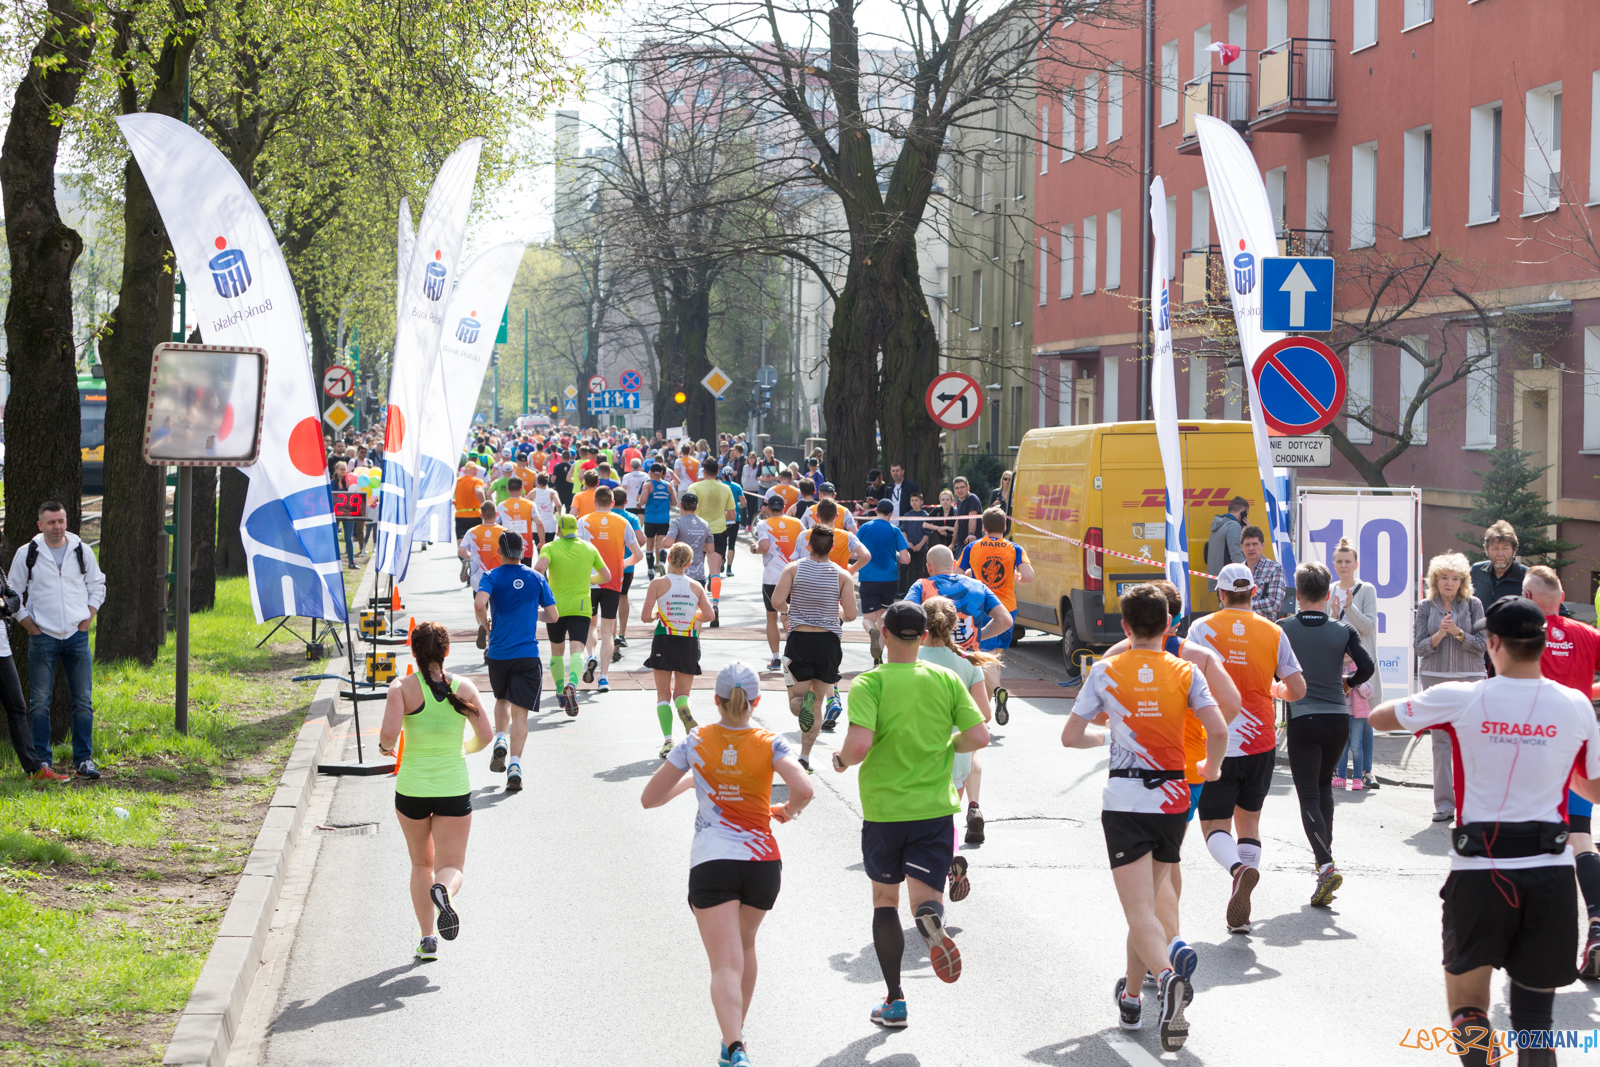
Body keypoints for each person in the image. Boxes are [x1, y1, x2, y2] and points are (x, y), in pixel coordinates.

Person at [1369, 597, 1600, 1067]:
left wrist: (1429, 703)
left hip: (1480, 872)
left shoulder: (1462, 696)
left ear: (1492, 643)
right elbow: (1593, 791)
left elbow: (1379, 718)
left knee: (1470, 1014)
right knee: (1536, 1025)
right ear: (1540, 643)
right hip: (1550, 874)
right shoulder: (1576, 705)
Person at [1060, 584, 1226, 1052]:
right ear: (1170, 626)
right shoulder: (1186, 671)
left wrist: (1107, 737)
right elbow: (1218, 728)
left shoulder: (1106, 670)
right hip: (1174, 797)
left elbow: (1071, 737)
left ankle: (1167, 978)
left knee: (1139, 912)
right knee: (1149, 909)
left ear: (1125, 627)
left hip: (1126, 799)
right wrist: (1211, 768)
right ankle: (1132, 997)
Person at [639, 662, 813, 1067]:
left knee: (723, 964)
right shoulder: (770, 742)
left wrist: (693, 778)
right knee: (745, 946)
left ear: (715, 700)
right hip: (762, 863)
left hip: (713, 863)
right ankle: (733, 1041)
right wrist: (787, 810)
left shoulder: (696, 741)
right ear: (756, 701)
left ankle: (735, 1047)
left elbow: (649, 798)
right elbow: (804, 789)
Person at [832, 600, 990, 1028]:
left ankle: (895, 999)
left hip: (885, 811)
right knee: (924, 899)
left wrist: (842, 761)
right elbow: (979, 735)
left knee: (885, 900)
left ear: (883, 635)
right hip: (934, 809)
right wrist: (945, 746)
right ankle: (931, 921)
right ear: (923, 637)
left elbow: (859, 746)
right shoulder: (945, 678)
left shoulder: (869, 683)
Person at [1100, 580, 1241, 973]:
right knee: (1168, 855)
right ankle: (1164, 942)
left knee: (1151, 866)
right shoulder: (1198, 657)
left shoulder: (1119, 652)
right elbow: (1231, 705)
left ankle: (1169, 942)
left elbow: (1096, 701)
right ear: (1174, 618)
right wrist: (1197, 732)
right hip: (1190, 767)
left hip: (1140, 770)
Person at [1187, 562, 1305, 934]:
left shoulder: (1201, 628)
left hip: (1217, 740)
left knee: (1214, 824)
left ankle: (1238, 871)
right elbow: (1298, 690)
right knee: (1249, 821)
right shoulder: (1274, 631)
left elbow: (1186, 679)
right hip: (1260, 743)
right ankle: (1244, 902)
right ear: (1254, 593)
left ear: (1220, 593)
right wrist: (1274, 690)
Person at [377, 622, 492, 960]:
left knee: (419, 863)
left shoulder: (401, 688)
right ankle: (444, 891)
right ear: (446, 651)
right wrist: (462, 751)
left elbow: (388, 734)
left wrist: (386, 750)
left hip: (411, 789)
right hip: (452, 788)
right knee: (451, 864)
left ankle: (428, 939)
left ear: (413, 651)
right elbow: (485, 736)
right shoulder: (465, 687)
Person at [1277, 560, 1375, 907]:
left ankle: (1327, 863)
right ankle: (1324, 864)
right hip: (1337, 719)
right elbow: (1367, 667)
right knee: (1323, 788)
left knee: (1309, 795)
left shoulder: (1283, 628)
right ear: (1326, 593)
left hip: (1304, 720)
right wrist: (1347, 683)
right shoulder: (1342, 629)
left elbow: (1270, 670)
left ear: (1299, 594)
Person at [1521, 565, 1600, 978]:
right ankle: (1598, 923)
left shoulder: (1524, 636)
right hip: (1582, 743)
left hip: (1538, 747)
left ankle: (1543, 943)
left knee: (1537, 846)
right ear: (1562, 593)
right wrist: (1587, 687)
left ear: (1531, 599)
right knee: (1581, 839)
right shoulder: (1588, 634)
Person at [9, 503, 105, 780]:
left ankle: (84, 760)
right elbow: (13, 593)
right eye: (51, 522)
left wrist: (87, 618)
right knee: (39, 702)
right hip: (43, 637)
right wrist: (30, 626)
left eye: (61, 521)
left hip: (77, 635)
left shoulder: (81, 550)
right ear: (40, 525)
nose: (58, 527)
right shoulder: (27, 553)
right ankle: (42, 762)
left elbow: (98, 584)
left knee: (83, 701)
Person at [475, 532, 559, 791]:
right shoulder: (536, 578)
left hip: (499, 653)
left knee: (502, 700)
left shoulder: (492, 576)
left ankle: (500, 737)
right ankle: (514, 765)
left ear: (500, 551)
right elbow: (553, 616)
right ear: (523, 551)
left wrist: (485, 624)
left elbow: (480, 604)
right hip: (527, 655)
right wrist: (532, 612)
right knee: (521, 713)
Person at [770, 525, 858, 772]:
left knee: (796, 701)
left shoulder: (793, 569)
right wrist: (836, 611)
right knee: (818, 702)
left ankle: (803, 706)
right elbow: (850, 614)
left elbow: (777, 601)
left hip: (800, 640)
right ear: (832, 548)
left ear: (808, 546)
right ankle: (805, 757)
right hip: (828, 643)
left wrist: (791, 610)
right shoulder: (842, 575)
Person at [1415, 552, 1488, 824]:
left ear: (1463, 581)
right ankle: (1444, 805)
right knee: (1441, 743)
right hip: (1435, 679)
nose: (1449, 583)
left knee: (1472, 741)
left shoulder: (1474, 604)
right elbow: (1420, 647)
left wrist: (1457, 632)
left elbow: (1482, 644)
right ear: (1435, 580)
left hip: (1471, 678)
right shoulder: (1425, 606)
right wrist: (1439, 635)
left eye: (1455, 578)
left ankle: (1472, 804)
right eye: (1444, 577)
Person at [919, 597, 995, 855]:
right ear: (954, 625)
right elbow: (984, 714)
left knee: (917, 819)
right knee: (945, 817)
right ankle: (947, 859)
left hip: (915, 747)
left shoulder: (908, 658)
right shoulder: (969, 662)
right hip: (956, 753)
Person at [904, 545, 1016, 720]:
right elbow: (1005, 620)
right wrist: (978, 635)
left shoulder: (922, 586)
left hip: (931, 657)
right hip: (968, 658)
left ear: (928, 567)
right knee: (970, 719)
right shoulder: (978, 586)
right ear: (954, 563)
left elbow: (906, 613)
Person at [639, 543, 717, 758]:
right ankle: (686, 714)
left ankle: (667, 741)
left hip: (664, 639)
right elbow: (710, 616)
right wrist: (692, 615)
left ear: (669, 559)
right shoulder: (696, 586)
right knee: (681, 694)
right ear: (689, 563)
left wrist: (657, 614)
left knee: (663, 694)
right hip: (688, 640)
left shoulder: (658, 583)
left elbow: (645, 617)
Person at [535, 515, 610, 715]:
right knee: (578, 650)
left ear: (559, 529)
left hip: (555, 606)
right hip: (581, 606)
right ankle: (573, 684)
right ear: (576, 529)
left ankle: (560, 692)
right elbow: (607, 576)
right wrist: (588, 578)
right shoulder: (589, 548)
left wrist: (544, 587)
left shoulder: (550, 547)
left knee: (556, 651)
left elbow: (539, 568)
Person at [578, 487, 643, 693]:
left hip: (588, 581)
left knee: (590, 625)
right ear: (613, 503)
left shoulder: (583, 521)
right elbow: (639, 555)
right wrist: (622, 564)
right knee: (607, 631)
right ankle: (604, 678)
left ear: (595, 502)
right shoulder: (623, 522)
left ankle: (591, 655)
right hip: (613, 582)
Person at [959, 507, 1035, 655]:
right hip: (1007, 609)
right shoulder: (1015, 548)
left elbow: (956, 576)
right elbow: (1029, 576)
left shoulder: (971, 547)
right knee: (996, 655)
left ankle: (990, 680)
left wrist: (971, 575)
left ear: (984, 527)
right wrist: (1018, 578)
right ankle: (994, 679)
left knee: (986, 657)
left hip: (981, 607)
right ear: (1005, 526)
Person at [855, 500, 912, 666]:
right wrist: (893, 555)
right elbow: (906, 559)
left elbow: (853, 552)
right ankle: (877, 660)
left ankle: (870, 631)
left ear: (876, 510)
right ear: (891, 513)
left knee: (868, 618)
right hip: (889, 578)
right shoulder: (895, 530)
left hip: (868, 577)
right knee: (882, 618)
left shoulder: (864, 528)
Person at [753, 495, 803, 674]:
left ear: (768, 507)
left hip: (773, 578)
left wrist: (755, 549)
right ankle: (794, 653)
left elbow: (764, 546)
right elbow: (806, 542)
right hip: (795, 575)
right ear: (784, 507)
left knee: (771, 616)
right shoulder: (796, 523)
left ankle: (775, 658)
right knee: (790, 613)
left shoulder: (763, 524)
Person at [610, 488, 645, 653]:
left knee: (610, 599)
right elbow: (642, 540)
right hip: (627, 564)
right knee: (623, 597)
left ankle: (611, 636)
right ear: (626, 502)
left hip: (606, 564)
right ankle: (622, 634)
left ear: (611, 501)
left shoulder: (605, 517)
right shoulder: (631, 518)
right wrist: (631, 548)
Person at [1469, 519, 1528, 611]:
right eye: (1495, 548)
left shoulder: (1527, 577)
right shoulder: (1475, 572)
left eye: (1505, 548)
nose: (1500, 553)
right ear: (1487, 551)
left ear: (1514, 550)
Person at [1239, 525, 1289, 619]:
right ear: (1241, 547)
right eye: (1247, 545)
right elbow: (1226, 603)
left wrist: (1243, 606)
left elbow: (1275, 603)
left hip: (1264, 629)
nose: (1251, 548)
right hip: (1240, 627)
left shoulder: (1274, 569)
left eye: (1255, 544)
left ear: (1263, 545)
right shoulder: (1237, 571)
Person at [1204, 496, 1248, 589]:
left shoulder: (1218, 525)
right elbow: (1236, 554)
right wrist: (1246, 576)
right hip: (1232, 581)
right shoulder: (1233, 526)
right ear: (1243, 511)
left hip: (1221, 580)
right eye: (1246, 514)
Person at [642, 463, 678, 577]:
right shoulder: (668, 485)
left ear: (651, 472)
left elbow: (643, 499)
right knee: (661, 543)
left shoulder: (647, 485)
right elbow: (674, 502)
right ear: (662, 473)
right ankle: (661, 562)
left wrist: (638, 505)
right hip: (664, 519)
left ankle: (650, 569)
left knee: (650, 544)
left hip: (650, 518)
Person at [495, 479, 536, 562]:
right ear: (522, 489)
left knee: (508, 572)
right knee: (525, 573)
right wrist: (542, 541)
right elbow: (539, 523)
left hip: (507, 545)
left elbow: (495, 524)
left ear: (507, 489)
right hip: (525, 546)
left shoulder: (501, 505)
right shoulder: (530, 504)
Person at [897, 493, 929, 596]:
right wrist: (907, 543)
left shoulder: (926, 516)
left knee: (919, 570)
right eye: (912, 500)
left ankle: (916, 591)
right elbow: (903, 530)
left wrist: (920, 544)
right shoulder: (907, 515)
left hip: (921, 547)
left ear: (921, 502)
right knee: (904, 568)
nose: (914, 502)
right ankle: (902, 590)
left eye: (916, 500)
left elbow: (927, 533)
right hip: (908, 546)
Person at [453, 463, 486, 540]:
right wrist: (484, 504)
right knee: (476, 543)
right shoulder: (477, 481)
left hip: (460, 515)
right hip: (475, 515)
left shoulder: (457, 481)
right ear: (475, 470)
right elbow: (478, 492)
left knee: (461, 543)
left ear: (465, 471)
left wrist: (456, 501)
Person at [949, 476, 983, 549]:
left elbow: (972, 517)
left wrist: (971, 534)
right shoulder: (959, 501)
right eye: (957, 488)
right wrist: (952, 543)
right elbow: (957, 522)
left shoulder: (972, 498)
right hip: (960, 543)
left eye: (962, 487)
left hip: (972, 543)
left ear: (968, 488)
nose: (960, 490)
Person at [530, 473, 561, 551]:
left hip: (536, 526)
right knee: (548, 549)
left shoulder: (533, 492)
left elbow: (526, 504)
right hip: (549, 525)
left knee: (539, 550)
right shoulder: (552, 492)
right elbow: (558, 504)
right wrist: (559, 514)